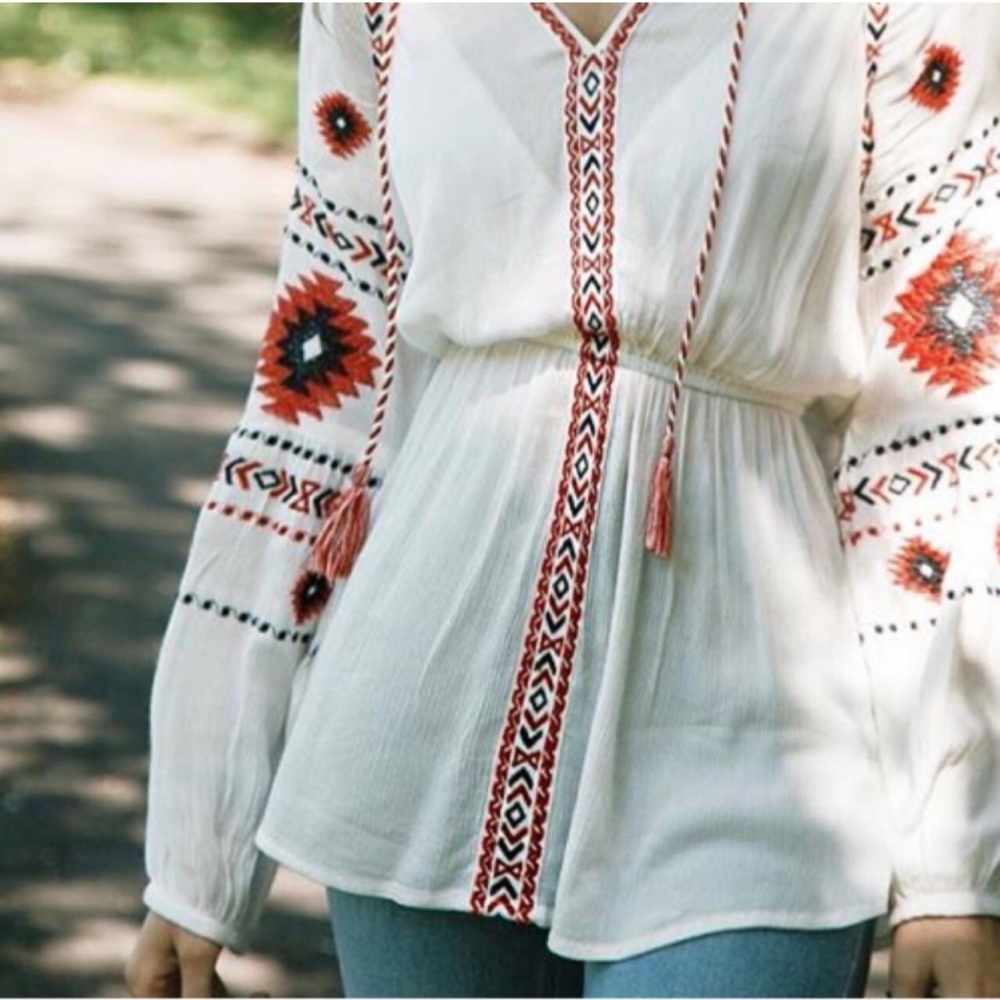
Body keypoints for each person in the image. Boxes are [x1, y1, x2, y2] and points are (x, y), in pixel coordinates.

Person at [125, 3, 1000, 997]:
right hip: (418, 720)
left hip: (759, 728)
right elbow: (317, 399)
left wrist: (949, 862)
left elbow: (943, 416)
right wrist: (198, 849)